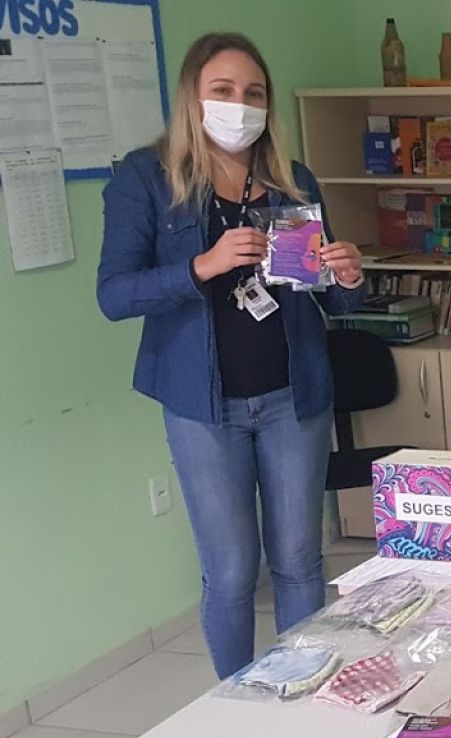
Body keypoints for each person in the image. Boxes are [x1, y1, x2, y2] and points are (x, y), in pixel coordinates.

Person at [96, 33, 366, 678]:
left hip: (293, 397)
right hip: (203, 407)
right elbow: (114, 294)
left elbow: (332, 298)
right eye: (223, 91)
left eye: (254, 94)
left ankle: (302, 690)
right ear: (193, 98)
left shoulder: (291, 180)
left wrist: (349, 276)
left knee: (299, 559)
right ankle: (237, 704)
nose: (239, 106)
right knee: (231, 569)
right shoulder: (146, 179)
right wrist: (202, 266)